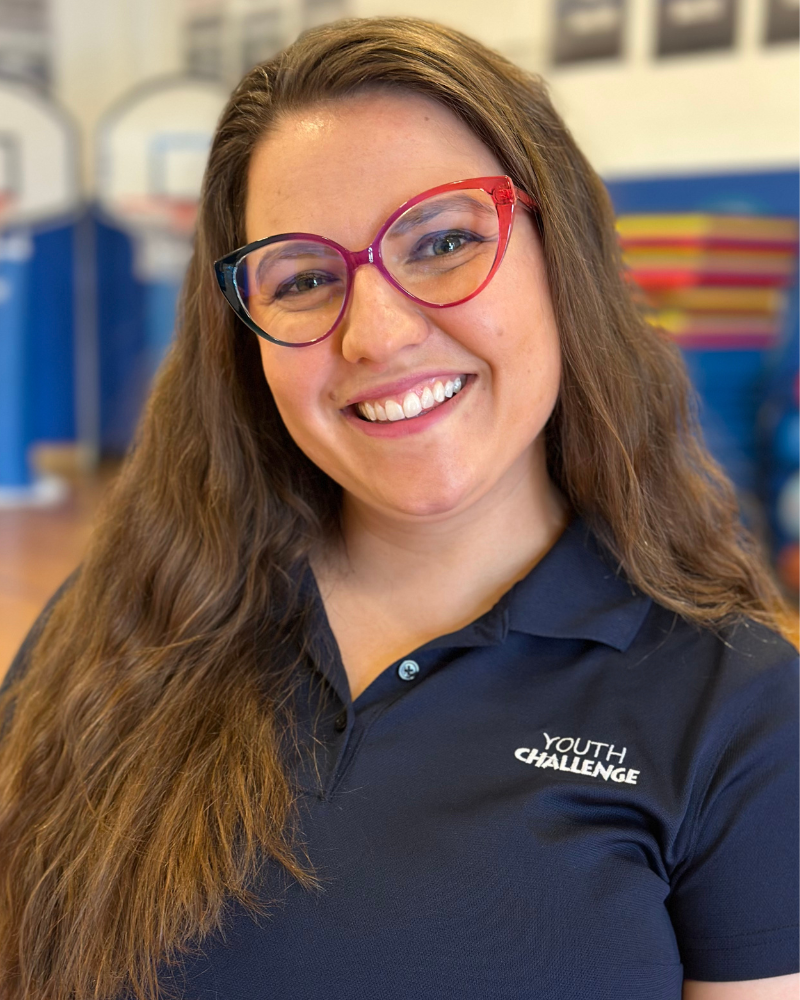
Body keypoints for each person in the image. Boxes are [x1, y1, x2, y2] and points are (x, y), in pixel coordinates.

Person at [0, 16, 797, 1000]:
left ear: (563, 255)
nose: (374, 334)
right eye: (301, 278)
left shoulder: (734, 704)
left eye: (444, 241)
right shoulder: (125, 623)